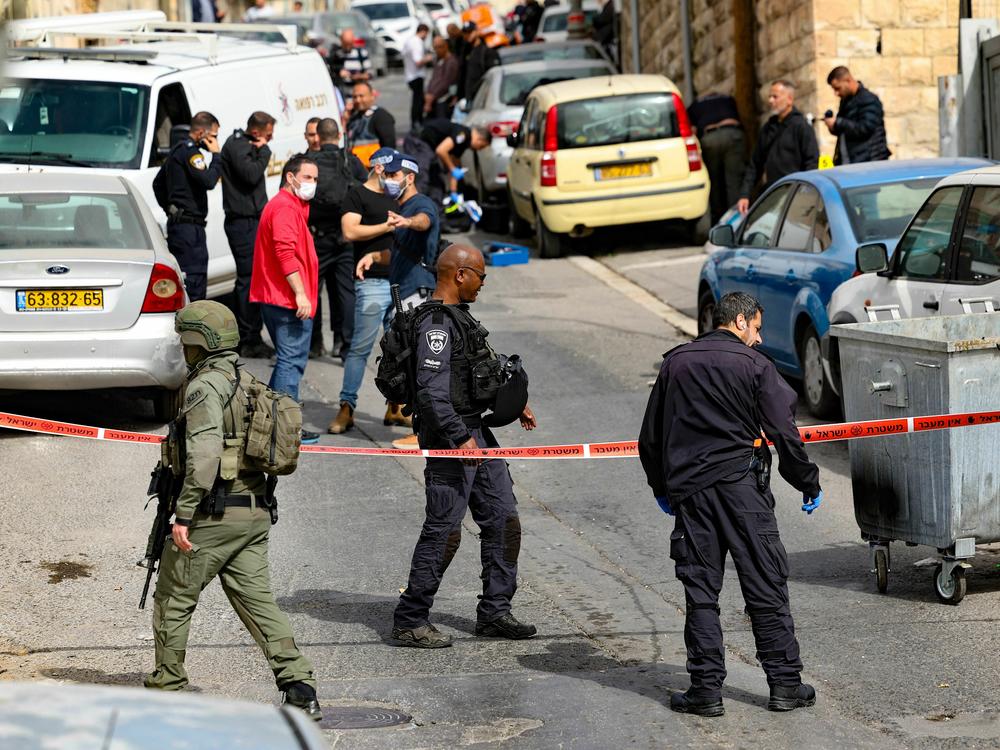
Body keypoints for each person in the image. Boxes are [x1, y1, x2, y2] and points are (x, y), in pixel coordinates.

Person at [638, 291, 822, 717]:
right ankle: (785, 686)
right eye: (756, 328)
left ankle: (705, 692)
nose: (758, 339)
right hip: (743, 492)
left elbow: (650, 438)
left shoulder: (675, 363)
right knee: (766, 586)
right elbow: (784, 431)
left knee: (701, 593)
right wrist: (806, 482)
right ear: (739, 322)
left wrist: (662, 489)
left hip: (692, 496)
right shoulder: (756, 366)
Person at [144, 300, 321, 722]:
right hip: (253, 514)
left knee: (173, 598)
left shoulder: (205, 386)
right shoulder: (245, 380)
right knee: (258, 603)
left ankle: (166, 688)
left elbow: (204, 456)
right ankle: (300, 686)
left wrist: (184, 516)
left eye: (185, 341)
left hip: (212, 517)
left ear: (197, 343)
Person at [391, 244, 537, 648]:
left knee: (504, 518)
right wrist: (461, 438)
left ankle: (495, 611)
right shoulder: (436, 325)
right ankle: (410, 618)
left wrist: (515, 403)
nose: (483, 283)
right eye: (481, 276)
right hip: (450, 438)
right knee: (444, 530)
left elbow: (476, 372)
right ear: (459, 275)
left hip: (474, 433)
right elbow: (432, 394)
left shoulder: (460, 319)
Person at [354, 152, 441, 447]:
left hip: (418, 291)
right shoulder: (401, 206)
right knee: (407, 359)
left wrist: (407, 221)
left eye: (393, 175)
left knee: (420, 361)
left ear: (409, 177)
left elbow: (424, 222)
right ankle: (417, 423)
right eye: (386, 175)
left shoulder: (419, 205)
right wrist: (375, 256)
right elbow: (402, 252)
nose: (388, 180)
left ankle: (425, 432)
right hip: (403, 290)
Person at [329, 148, 405, 434]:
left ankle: (395, 406)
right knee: (359, 348)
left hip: (399, 281)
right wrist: (387, 224)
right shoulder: (357, 195)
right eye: (393, 171)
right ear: (378, 169)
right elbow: (350, 231)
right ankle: (346, 407)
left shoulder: (397, 195)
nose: (397, 177)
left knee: (399, 350)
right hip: (371, 281)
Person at [249, 155, 322, 444]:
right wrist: (301, 293)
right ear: (290, 178)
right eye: (307, 178)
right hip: (286, 299)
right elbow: (284, 253)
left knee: (289, 362)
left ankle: (263, 419)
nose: (312, 184)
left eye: (315, 179)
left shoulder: (291, 206)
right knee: (290, 363)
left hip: (281, 297)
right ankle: (284, 429)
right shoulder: (284, 209)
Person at [306, 118, 367, 360]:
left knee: (313, 291)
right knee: (346, 293)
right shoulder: (350, 161)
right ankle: (347, 345)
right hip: (345, 237)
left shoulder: (309, 164)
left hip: (316, 237)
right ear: (340, 135)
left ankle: (314, 343)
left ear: (318, 137)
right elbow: (366, 191)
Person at [219, 111, 276, 359]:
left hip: (252, 220)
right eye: (268, 134)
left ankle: (251, 333)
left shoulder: (245, 143)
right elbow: (251, 174)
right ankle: (248, 337)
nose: (270, 139)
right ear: (256, 132)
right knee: (248, 279)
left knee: (253, 278)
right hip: (243, 223)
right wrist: (264, 152)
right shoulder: (238, 146)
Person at [152, 111, 222, 302]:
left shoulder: (177, 150)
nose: (215, 141)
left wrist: (172, 209)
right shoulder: (191, 152)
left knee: (184, 281)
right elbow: (208, 180)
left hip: (180, 227)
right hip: (190, 230)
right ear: (201, 133)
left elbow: (158, 184)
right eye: (213, 136)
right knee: (194, 283)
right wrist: (217, 156)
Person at [737, 80, 817, 215]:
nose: (770, 100)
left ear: (789, 99)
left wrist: (804, 195)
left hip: (795, 195)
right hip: (773, 193)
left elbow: (812, 162)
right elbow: (755, 164)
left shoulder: (801, 127)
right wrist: (745, 194)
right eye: (770, 96)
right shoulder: (768, 129)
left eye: (775, 96)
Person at [686, 94, 746, 224]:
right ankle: (737, 222)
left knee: (714, 182)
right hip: (733, 133)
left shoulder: (695, 106)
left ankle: (718, 222)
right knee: (734, 182)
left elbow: (692, 131)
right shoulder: (727, 98)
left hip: (710, 138)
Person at [407, 118, 490, 203]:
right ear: (480, 139)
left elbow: (455, 165)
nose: (479, 149)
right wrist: (452, 169)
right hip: (419, 140)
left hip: (430, 147)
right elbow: (441, 150)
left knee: (437, 183)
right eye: (481, 146)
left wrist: (453, 191)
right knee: (422, 178)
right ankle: (414, 207)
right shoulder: (463, 134)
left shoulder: (463, 144)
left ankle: (434, 210)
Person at [823, 66, 891, 166]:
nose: (836, 93)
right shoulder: (846, 101)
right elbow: (846, 131)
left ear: (848, 80)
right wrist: (832, 126)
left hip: (869, 163)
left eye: (838, 88)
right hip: (851, 162)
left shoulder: (869, 99)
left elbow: (865, 128)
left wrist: (838, 122)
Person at [346, 81, 397, 168]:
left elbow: (389, 147)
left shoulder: (381, 116)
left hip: (373, 171)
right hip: (356, 170)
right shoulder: (353, 118)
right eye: (355, 97)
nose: (358, 100)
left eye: (361, 96)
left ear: (371, 96)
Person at [328, 29, 372, 104]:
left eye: (350, 44)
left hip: (358, 96)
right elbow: (331, 71)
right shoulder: (336, 54)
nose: (348, 47)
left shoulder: (361, 53)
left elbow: (370, 74)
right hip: (343, 96)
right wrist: (339, 72)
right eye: (345, 44)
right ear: (341, 42)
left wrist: (357, 76)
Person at [403, 24, 433, 128]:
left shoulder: (410, 40)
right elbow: (418, 62)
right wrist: (429, 58)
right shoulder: (417, 42)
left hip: (410, 75)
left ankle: (416, 122)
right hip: (416, 76)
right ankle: (417, 123)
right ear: (424, 31)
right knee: (418, 102)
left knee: (418, 100)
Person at [461, 22, 499, 104]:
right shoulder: (466, 51)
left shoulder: (486, 52)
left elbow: (493, 74)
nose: (468, 36)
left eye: (470, 32)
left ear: (477, 31)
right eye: (465, 33)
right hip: (470, 95)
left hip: (483, 95)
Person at [424, 36, 460, 120]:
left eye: (439, 47)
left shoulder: (451, 62)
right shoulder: (438, 59)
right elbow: (434, 78)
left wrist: (432, 95)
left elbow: (446, 82)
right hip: (433, 98)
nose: (437, 50)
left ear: (445, 46)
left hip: (444, 99)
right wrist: (428, 92)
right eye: (435, 48)